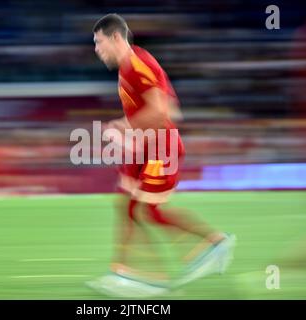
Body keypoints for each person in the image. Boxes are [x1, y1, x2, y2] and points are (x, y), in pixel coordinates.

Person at [87, 13, 236, 296]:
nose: (96, 49)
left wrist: (122, 126)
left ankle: (212, 244)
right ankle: (124, 271)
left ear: (116, 37)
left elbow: (162, 111)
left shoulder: (136, 65)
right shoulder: (130, 65)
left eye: (98, 42)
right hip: (144, 145)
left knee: (148, 211)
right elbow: (166, 106)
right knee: (128, 205)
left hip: (161, 148)